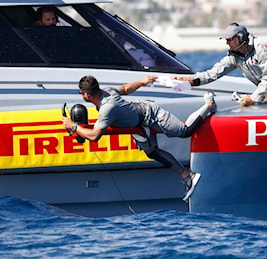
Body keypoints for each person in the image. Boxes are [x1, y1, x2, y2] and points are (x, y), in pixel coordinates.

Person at [175, 22, 267, 176]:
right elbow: (213, 73)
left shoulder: (263, 48)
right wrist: (191, 81)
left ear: (241, 37)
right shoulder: (234, 57)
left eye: (230, 39)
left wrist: (254, 98)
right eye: (226, 40)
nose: (227, 42)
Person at [61, 75, 217, 202]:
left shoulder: (107, 107)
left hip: (151, 114)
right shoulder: (106, 91)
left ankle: (209, 105)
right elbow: (125, 89)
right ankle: (187, 177)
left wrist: (73, 126)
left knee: (184, 131)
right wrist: (142, 82)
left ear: (86, 95)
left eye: (80, 93)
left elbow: (94, 136)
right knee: (151, 151)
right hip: (139, 124)